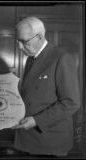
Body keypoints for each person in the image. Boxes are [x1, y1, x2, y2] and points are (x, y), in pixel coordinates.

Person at [11, 17, 80, 157]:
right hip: (30, 138)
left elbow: (71, 103)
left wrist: (36, 121)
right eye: (17, 41)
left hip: (49, 142)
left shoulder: (62, 58)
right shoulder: (31, 58)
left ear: (39, 37)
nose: (19, 47)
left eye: (23, 41)